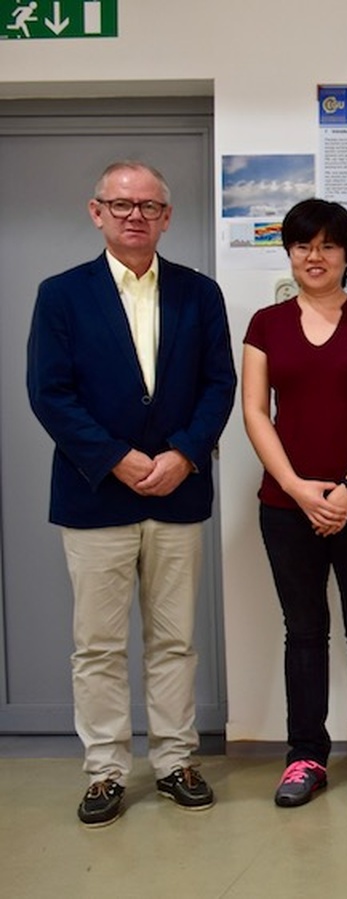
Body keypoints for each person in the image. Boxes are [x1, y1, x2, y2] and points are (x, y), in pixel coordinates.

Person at [26, 160, 236, 826]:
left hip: (177, 491)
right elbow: (49, 392)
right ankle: (106, 770)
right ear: (97, 213)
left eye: (149, 206)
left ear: (167, 217)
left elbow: (218, 385)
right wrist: (115, 458)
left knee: (175, 640)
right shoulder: (61, 294)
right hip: (96, 495)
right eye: (121, 205)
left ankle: (175, 760)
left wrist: (183, 452)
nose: (135, 215)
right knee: (98, 644)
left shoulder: (200, 294)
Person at [241, 198, 347, 807]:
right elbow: (256, 412)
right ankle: (304, 756)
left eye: (329, 245)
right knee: (303, 634)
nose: (316, 256)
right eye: (304, 245)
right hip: (286, 506)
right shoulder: (266, 323)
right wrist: (297, 487)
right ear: (289, 251)